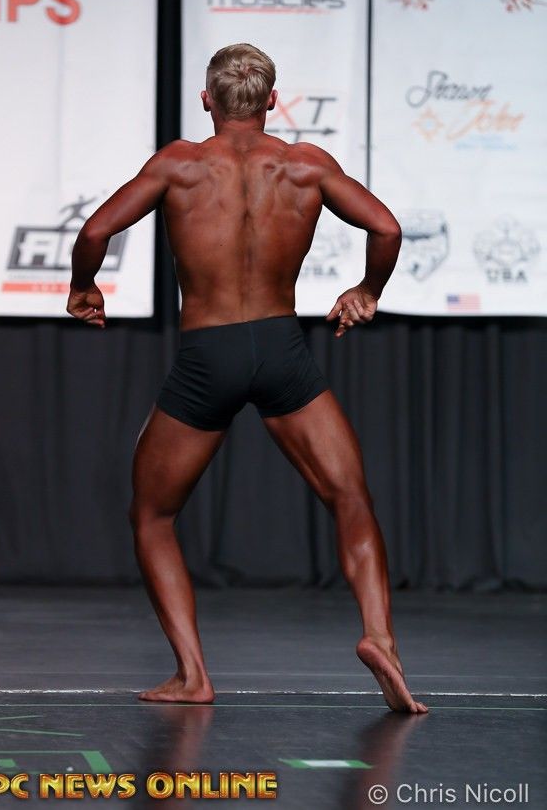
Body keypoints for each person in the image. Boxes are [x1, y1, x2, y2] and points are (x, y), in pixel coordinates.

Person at [67, 43, 428, 714]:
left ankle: (193, 675)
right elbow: (385, 227)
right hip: (281, 349)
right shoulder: (306, 165)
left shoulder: (178, 164)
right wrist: (366, 291)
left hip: (209, 355)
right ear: (272, 101)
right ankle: (379, 636)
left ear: (207, 100)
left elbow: (94, 232)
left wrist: (83, 286)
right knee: (350, 497)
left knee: (152, 515)